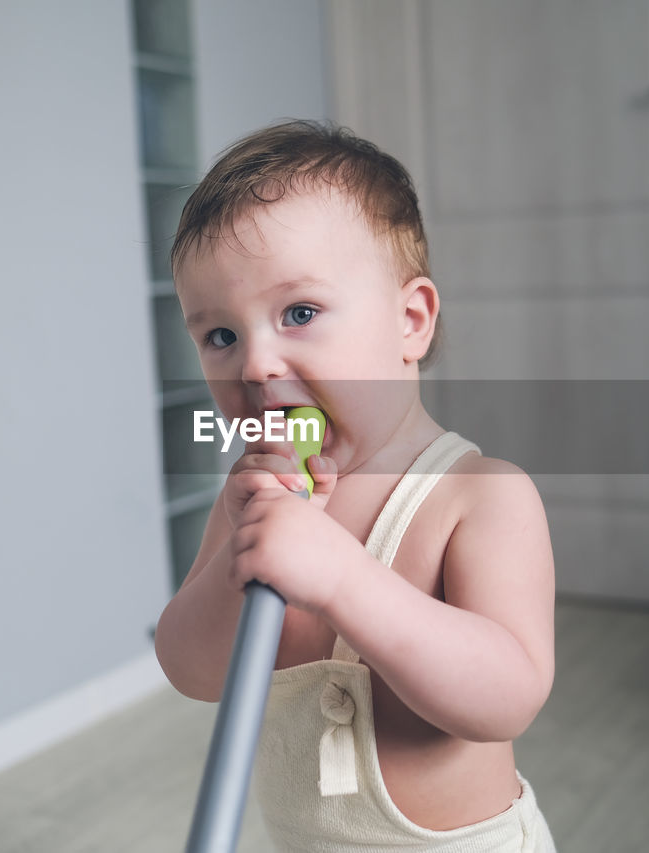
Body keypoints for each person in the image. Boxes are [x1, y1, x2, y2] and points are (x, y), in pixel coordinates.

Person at [154, 120, 557, 852]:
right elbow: (191, 670)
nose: (255, 364)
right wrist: (232, 567)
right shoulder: (251, 499)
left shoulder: (480, 497)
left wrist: (344, 578)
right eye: (221, 336)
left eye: (299, 313)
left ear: (410, 322)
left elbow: (508, 697)